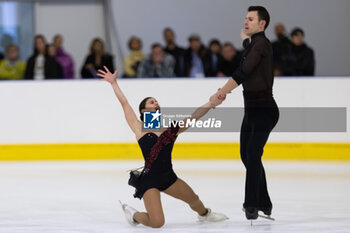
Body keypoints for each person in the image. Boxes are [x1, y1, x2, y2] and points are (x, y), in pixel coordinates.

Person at [97, 66, 228, 228]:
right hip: (149, 180)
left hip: (168, 177)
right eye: (151, 102)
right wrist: (114, 83)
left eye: (157, 101)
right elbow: (124, 103)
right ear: (144, 111)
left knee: (194, 199)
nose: (156, 103)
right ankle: (133, 214)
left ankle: (205, 215)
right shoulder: (139, 128)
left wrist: (211, 102)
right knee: (157, 222)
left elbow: (194, 116)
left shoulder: (170, 130)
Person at [209, 6, 279, 220]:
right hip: (251, 111)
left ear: (262, 23)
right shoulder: (254, 44)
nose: (246, 22)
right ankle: (265, 203)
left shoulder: (262, 44)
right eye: (245, 18)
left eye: (250, 19)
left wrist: (220, 93)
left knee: (253, 154)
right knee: (247, 156)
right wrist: (246, 41)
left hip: (265, 110)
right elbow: (249, 58)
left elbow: (244, 71)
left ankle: (251, 206)